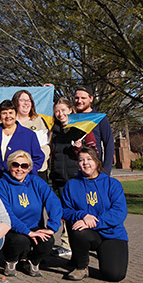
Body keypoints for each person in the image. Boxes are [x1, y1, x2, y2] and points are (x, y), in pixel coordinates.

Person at [61, 147, 128, 282]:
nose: (85, 163)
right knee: (79, 230)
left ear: (97, 162)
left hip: (111, 233)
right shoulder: (71, 185)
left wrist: (94, 221)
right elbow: (65, 210)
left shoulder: (112, 184)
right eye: (81, 160)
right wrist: (82, 216)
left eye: (89, 159)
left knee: (114, 276)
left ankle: (105, 256)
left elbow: (119, 212)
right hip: (88, 233)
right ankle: (81, 267)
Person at [0, 151, 62, 277]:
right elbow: (6, 214)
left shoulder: (36, 181)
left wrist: (52, 227)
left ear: (29, 168)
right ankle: (11, 261)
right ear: (9, 166)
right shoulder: (1, 184)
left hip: (34, 226)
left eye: (24, 166)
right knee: (20, 240)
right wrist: (28, 232)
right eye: (15, 165)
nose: (19, 169)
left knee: (48, 240)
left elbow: (54, 202)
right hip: (11, 228)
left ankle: (32, 262)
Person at [49, 98, 96, 259]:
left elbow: (93, 152)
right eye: (57, 111)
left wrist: (80, 148)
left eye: (63, 110)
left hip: (77, 178)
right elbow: (53, 156)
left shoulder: (81, 128)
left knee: (80, 212)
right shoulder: (54, 132)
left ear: (71, 110)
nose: (60, 113)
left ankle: (79, 246)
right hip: (61, 179)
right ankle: (66, 244)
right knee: (65, 213)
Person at [0, 100, 44, 182]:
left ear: (16, 114)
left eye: (11, 112)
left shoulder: (29, 134)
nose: (8, 116)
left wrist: (27, 171)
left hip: (20, 181)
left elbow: (39, 157)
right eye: (4, 113)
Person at [73, 86, 115, 174]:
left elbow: (109, 145)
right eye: (77, 98)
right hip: (73, 171)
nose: (79, 101)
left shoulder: (100, 118)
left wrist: (106, 172)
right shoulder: (71, 118)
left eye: (83, 98)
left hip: (94, 170)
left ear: (91, 99)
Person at [13, 89, 51, 180]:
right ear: (15, 102)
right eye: (22, 100)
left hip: (39, 170)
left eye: (28, 100)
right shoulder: (10, 122)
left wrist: (35, 164)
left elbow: (46, 146)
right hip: (17, 170)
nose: (26, 103)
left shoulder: (39, 120)